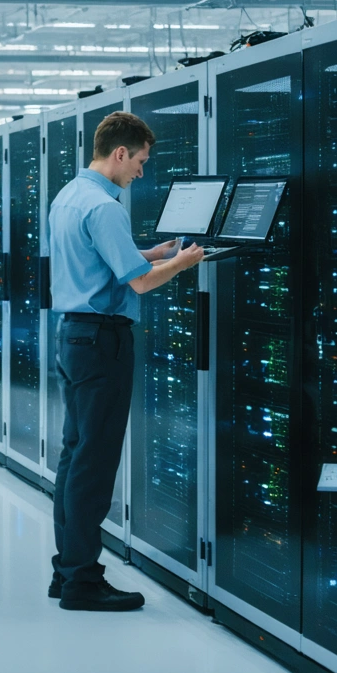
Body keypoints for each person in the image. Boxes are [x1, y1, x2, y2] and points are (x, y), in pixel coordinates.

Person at [48, 112, 204, 611]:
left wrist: (149, 251)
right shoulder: (106, 206)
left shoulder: (70, 195)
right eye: (140, 161)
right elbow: (138, 283)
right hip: (103, 342)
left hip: (74, 337)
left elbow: (106, 262)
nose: (141, 171)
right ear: (120, 153)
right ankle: (82, 582)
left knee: (75, 456)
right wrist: (181, 262)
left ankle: (67, 570)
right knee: (94, 463)